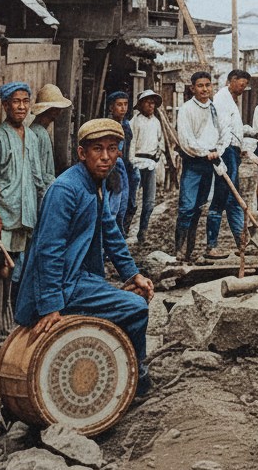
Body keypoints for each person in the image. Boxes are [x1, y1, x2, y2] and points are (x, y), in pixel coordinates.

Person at [14, 118, 155, 397]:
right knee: (136, 307)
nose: (106, 157)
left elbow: (111, 231)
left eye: (112, 149)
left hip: (78, 278)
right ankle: (136, 378)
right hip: (60, 285)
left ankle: (116, 368)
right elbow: (48, 251)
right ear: (82, 153)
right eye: (97, 150)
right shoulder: (66, 189)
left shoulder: (95, 183)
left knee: (132, 294)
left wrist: (132, 273)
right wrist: (51, 306)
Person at [0, 82, 40, 282]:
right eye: (16, 102)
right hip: (5, 216)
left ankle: (14, 311)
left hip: (26, 216)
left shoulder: (32, 137)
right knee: (2, 270)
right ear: (6, 106)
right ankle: (0, 312)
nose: (22, 107)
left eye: (25, 101)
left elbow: (37, 180)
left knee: (20, 272)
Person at [175, 71, 225, 262]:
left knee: (198, 207)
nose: (205, 89)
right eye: (200, 86)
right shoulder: (187, 110)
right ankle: (179, 249)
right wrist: (205, 152)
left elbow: (221, 134)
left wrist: (217, 150)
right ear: (193, 88)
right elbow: (186, 140)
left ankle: (189, 250)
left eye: (208, 85)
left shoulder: (214, 108)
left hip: (210, 163)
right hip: (194, 162)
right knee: (187, 207)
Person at [205, 69, 252, 260]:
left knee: (234, 199)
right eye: (241, 84)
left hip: (232, 152)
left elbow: (235, 129)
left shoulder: (232, 99)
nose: (243, 88)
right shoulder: (222, 99)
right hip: (225, 152)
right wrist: (222, 156)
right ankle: (211, 246)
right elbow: (222, 129)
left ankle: (242, 243)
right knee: (220, 198)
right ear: (232, 81)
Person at [129, 89, 165, 245]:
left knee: (149, 202)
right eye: (148, 102)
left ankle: (142, 233)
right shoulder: (134, 122)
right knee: (132, 202)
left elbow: (160, 141)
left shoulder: (156, 122)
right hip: (136, 163)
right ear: (141, 104)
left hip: (151, 164)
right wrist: (132, 162)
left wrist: (158, 155)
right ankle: (123, 232)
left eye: (153, 103)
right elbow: (131, 145)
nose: (151, 106)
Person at [29, 83, 73, 205]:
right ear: (51, 110)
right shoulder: (39, 133)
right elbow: (39, 172)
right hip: (40, 192)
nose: (59, 113)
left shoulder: (38, 130)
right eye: (57, 109)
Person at [106, 91, 135, 235]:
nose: (123, 108)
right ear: (111, 108)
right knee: (113, 205)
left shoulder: (127, 125)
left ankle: (119, 235)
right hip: (111, 169)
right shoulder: (106, 125)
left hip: (125, 168)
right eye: (119, 105)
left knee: (125, 203)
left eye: (125, 104)